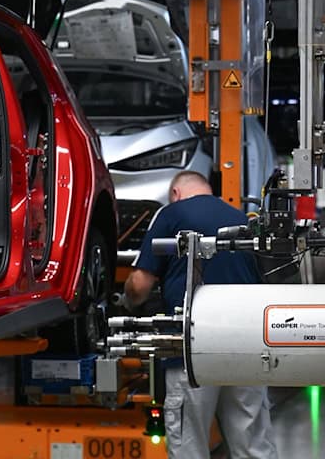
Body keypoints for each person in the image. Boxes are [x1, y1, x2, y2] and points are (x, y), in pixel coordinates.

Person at [124, 170, 278, 458]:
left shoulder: (170, 214)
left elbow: (140, 285)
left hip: (192, 348)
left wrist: (129, 302)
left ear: (175, 193)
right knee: (253, 444)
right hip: (247, 344)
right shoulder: (242, 219)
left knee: (189, 445)